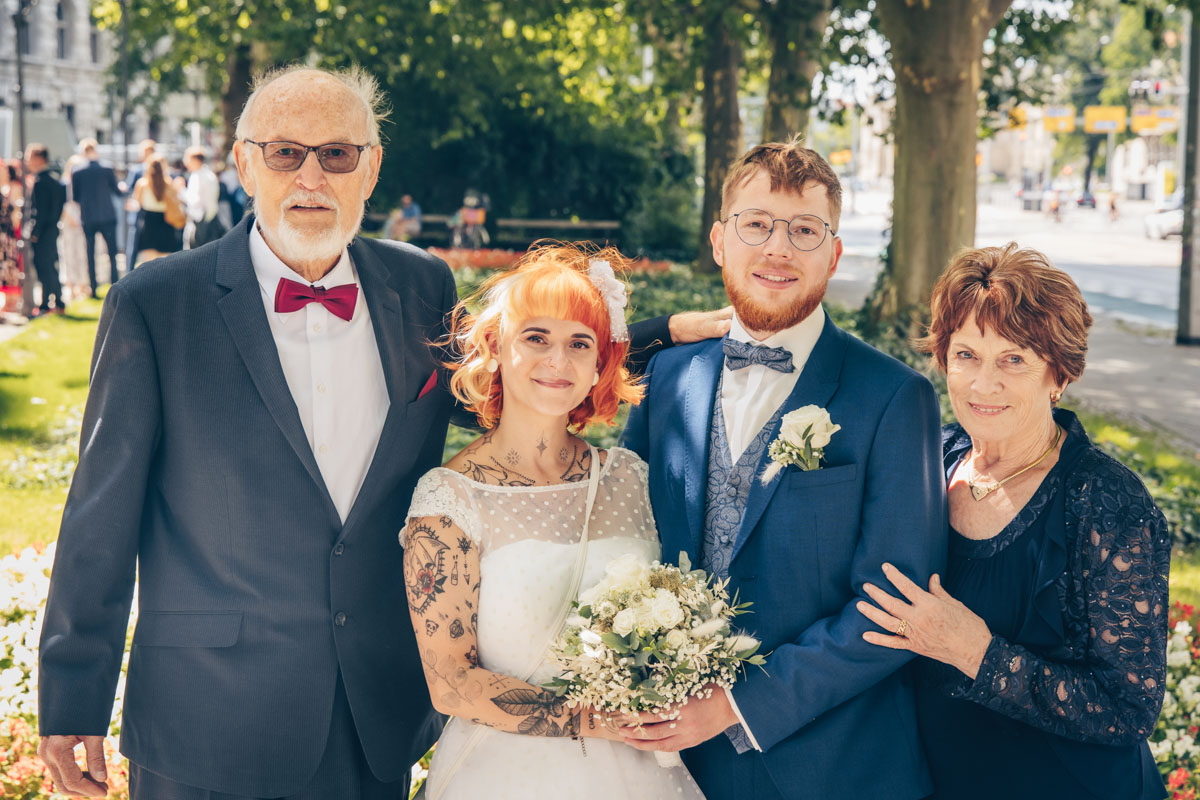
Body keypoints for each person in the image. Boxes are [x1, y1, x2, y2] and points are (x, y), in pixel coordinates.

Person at [37, 64, 728, 800]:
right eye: (284, 152)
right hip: (207, 718)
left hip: (366, 719)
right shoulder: (156, 304)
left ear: (370, 169)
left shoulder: (417, 284)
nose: (311, 175)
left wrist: (650, 335)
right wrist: (73, 696)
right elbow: (99, 514)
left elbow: (508, 374)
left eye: (336, 153)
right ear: (243, 161)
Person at [621, 138, 947, 800]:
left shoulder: (893, 398)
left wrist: (735, 704)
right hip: (666, 767)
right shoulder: (666, 378)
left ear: (832, 254)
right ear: (719, 241)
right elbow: (627, 543)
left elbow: (895, 610)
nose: (777, 248)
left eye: (803, 230)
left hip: (829, 768)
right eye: (756, 224)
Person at [856, 244, 1169, 800]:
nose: (983, 384)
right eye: (966, 355)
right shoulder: (933, 460)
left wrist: (977, 653)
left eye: (1014, 359)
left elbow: (1128, 711)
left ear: (1060, 375)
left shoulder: (1107, 503)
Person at [402, 244, 706, 800]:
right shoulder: (448, 500)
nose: (557, 361)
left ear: (599, 367)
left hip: (641, 776)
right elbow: (450, 684)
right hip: (502, 776)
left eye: (578, 343)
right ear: (496, 348)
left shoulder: (630, 477)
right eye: (536, 338)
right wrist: (594, 721)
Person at [72, 138, 122, 296]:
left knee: (90, 254)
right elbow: (116, 191)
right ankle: (115, 284)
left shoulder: (78, 171)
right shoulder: (107, 168)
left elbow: (76, 197)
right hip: (107, 215)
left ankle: (93, 288)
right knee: (112, 253)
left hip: (89, 217)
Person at [25, 143, 67, 316]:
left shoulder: (41, 182)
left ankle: (49, 303)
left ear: (39, 158)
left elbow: (40, 211)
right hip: (52, 229)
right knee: (49, 266)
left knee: (44, 267)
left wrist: (35, 232)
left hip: (43, 232)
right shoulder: (54, 179)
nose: (27, 161)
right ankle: (54, 301)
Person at [131, 155, 184, 264]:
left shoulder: (142, 184)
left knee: (149, 263)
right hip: (165, 223)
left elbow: (138, 202)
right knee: (164, 262)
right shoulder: (168, 183)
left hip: (148, 223)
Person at [59, 154, 92, 300]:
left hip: (81, 219)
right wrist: (69, 217)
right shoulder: (65, 183)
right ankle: (71, 286)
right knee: (68, 254)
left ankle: (83, 284)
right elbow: (61, 203)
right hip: (68, 221)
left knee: (82, 253)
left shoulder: (84, 182)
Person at [183, 146, 226, 249]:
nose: (185, 162)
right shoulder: (209, 175)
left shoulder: (198, 176)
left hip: (200, 222)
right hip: (210, 220)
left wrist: (180, 191)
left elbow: (194, 201)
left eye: (187, 159)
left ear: (195, 160)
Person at [123, 139, 157, 269]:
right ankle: (130, 272)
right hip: (140, 213)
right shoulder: (137, 170)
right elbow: (130, 190)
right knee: (134, 246)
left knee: (144, 248)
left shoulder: (155, 170)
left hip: (149, 214)